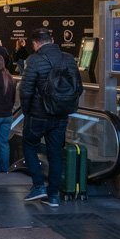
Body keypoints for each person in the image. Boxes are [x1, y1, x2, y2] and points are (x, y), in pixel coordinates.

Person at [18, 27, 79, 207]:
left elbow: (26, 90)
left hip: (38, 114)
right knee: (55, 154)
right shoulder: (68, 59)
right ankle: (53, 196)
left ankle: (38, 185)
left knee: (29, 145)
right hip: (60, 115)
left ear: (35, 43)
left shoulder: (34, 60)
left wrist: (26, 111)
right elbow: (78, 86)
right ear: (51, 40)